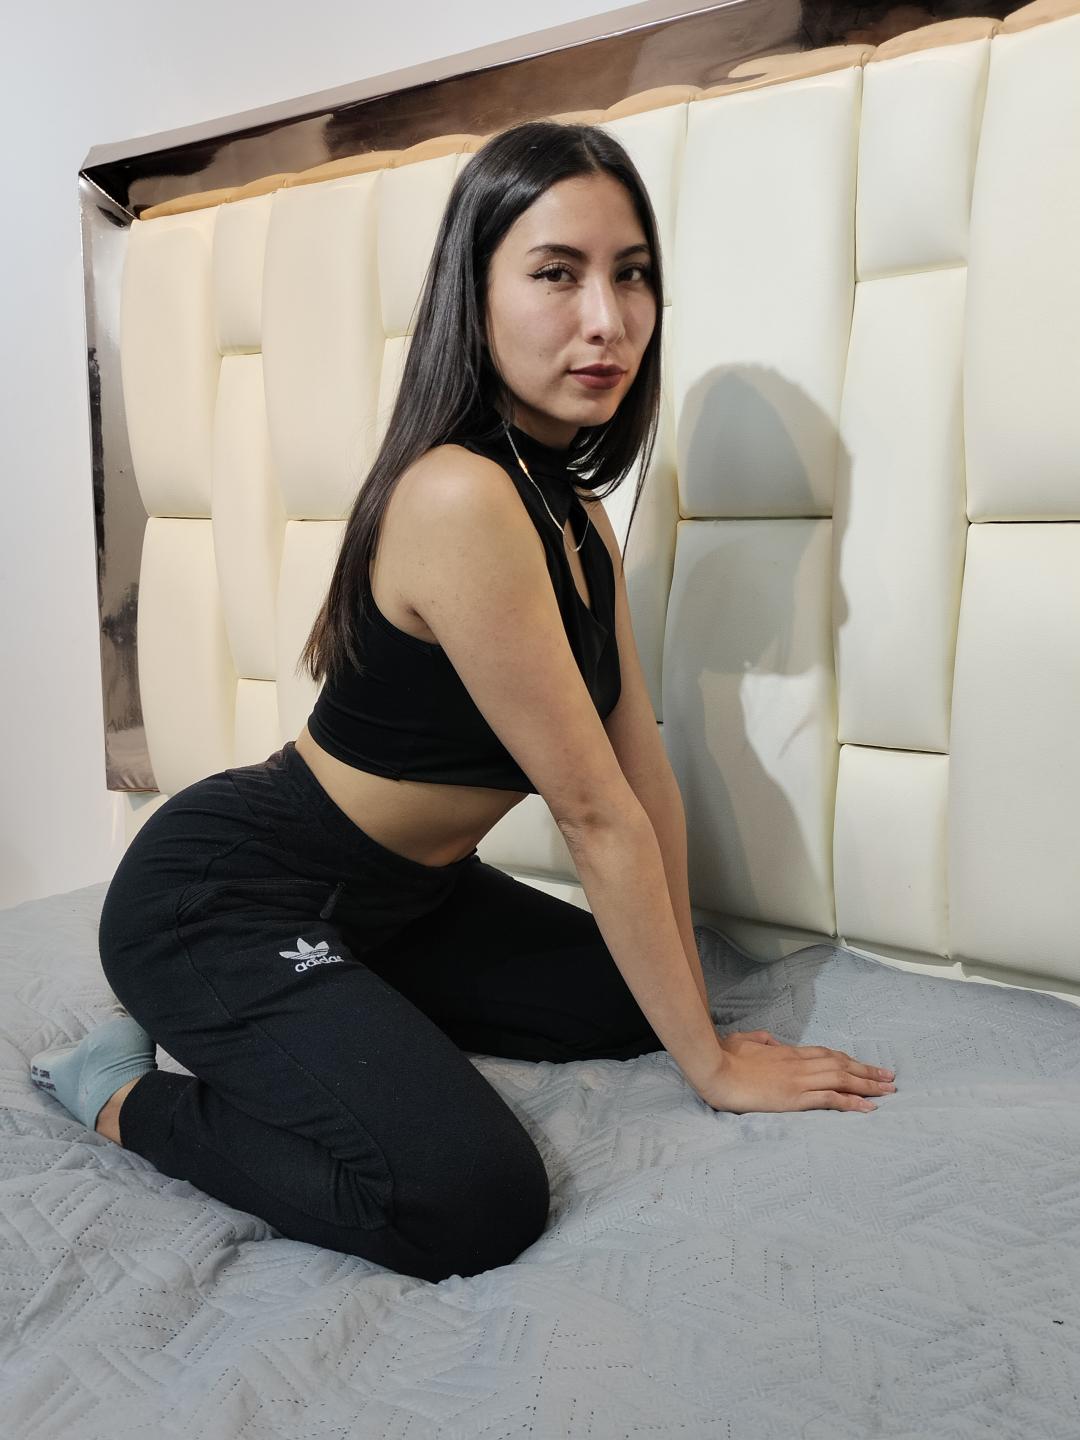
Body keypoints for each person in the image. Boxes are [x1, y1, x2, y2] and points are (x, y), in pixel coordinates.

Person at [29, 120, 896, 1284]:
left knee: (635, 997)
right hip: (224, 897)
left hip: (405, 904)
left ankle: (331, 1006)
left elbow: (637, 773)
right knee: (474, 1202)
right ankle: (121, 1091)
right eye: (557, 273)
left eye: (632, 274)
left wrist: (692, 1024)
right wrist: (717, 1069)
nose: (607, 318)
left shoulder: (575, 514)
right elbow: (591, 816)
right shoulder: (458, 497)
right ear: (474, 293)